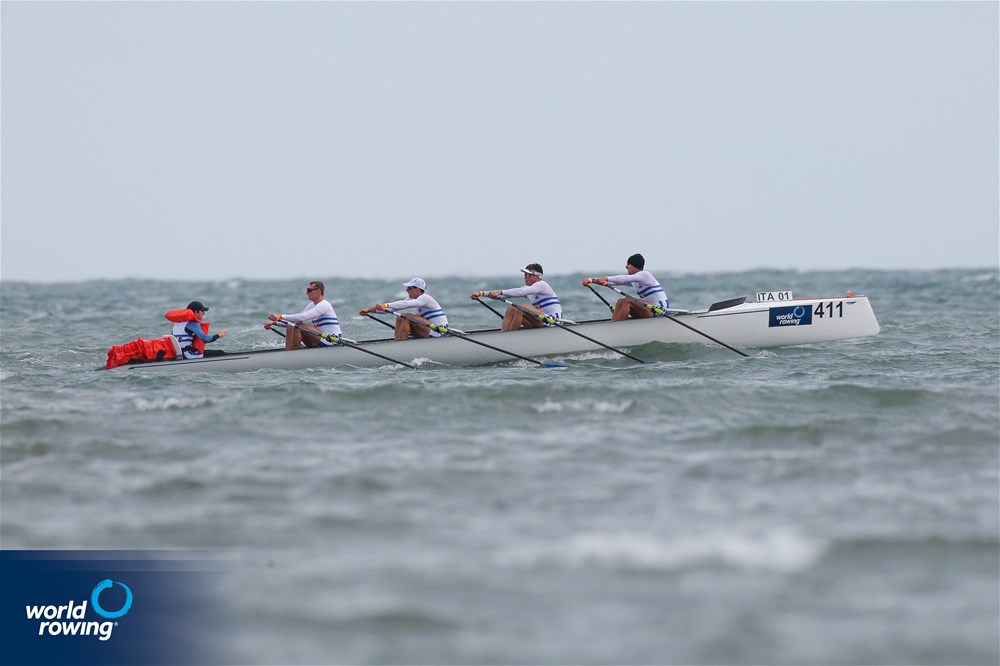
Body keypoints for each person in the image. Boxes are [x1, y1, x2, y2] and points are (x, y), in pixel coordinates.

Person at [471, 263, 562, 332]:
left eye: (528, 275)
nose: (525, 278)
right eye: (524, 275)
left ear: (537, 276)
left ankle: (511, 338)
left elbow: (521, 292)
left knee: (521, 307)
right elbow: (501, 295)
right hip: (540, 321)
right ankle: (504, 336)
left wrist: (500, 291)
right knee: (511, 309)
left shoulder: (542, 285)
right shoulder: (529, 289)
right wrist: (481, 293)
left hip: (553, 322)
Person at [582, 253, 669, 321]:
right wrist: (591, 280)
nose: (626, 266)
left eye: (628, 264)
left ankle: (617, 328)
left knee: (627, 301)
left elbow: (624, 278)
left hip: (660, 310)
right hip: (649, 309)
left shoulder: (645, 275)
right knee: (620, 301)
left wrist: (605, 278)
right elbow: (612, 283)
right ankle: (613, 324)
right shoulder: (636, 281)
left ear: (634, 265)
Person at [359, 278, 449, 341]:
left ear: (417, 289)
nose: (407, 290)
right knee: (400, 318)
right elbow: (393, 308)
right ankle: (398, 342)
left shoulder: (426, 298)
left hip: (438, 332)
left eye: (409, 288)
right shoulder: (411, 299)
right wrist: (368, 310)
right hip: (427, 330)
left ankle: (402, 346)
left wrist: (385, 304)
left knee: (405, 316)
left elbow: (406, 304)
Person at [265, 281, 342, 350]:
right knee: (292, 325)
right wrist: (275, 323)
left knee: (297, 325)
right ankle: (289, 352)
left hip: (332, 341)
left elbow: (303, 317)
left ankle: (290, 355)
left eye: (309, 290)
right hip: (322, 339)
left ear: (318, 291)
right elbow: (298, 318)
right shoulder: (312, 305)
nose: (307, 293)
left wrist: (281, 316)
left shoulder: (324, 305)